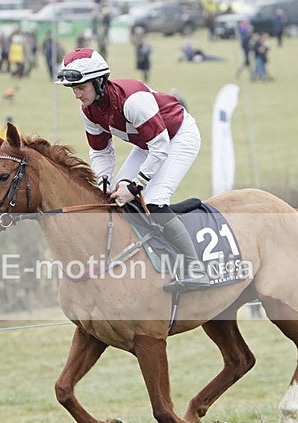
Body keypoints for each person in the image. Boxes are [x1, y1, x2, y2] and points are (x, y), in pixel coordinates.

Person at [55, 47, 209, 292]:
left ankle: (195, 268)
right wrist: (104, 182)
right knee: (115, 197)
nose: (76, 94)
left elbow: (160, 147)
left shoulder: (132, 100)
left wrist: (136, 186)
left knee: (155, 200)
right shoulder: (88, 110)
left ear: (99, 81)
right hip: (147, 144)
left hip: (176, 137)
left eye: (81, 87)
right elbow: (101, 152)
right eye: (73, 89)